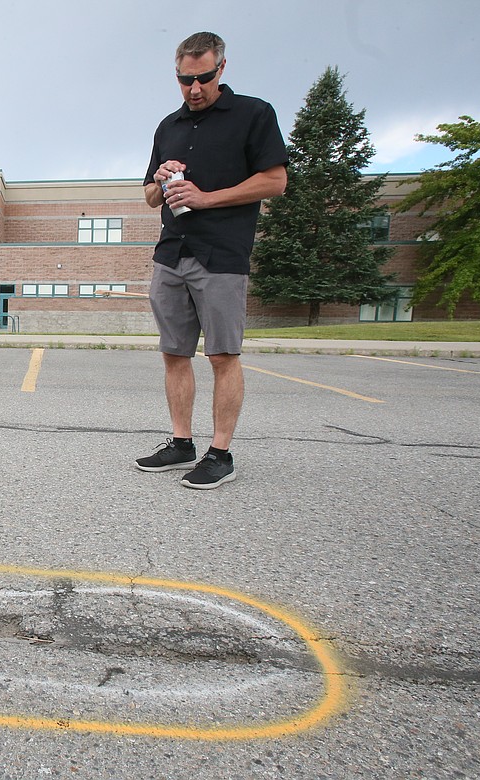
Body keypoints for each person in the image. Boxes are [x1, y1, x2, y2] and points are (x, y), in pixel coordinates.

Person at [136, 31, 288, 489]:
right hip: (171, 253)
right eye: (185, 80)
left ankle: (220, 452)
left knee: (222, 355)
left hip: (221, 254)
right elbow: (146, 196)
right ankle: (182, 443)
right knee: (174, 354)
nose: (194, 88)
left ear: (221, 68)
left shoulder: (253, 115)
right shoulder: (168, 126)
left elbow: (275, 181)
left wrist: (205, 198)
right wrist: (161, 179)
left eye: (202, 77)